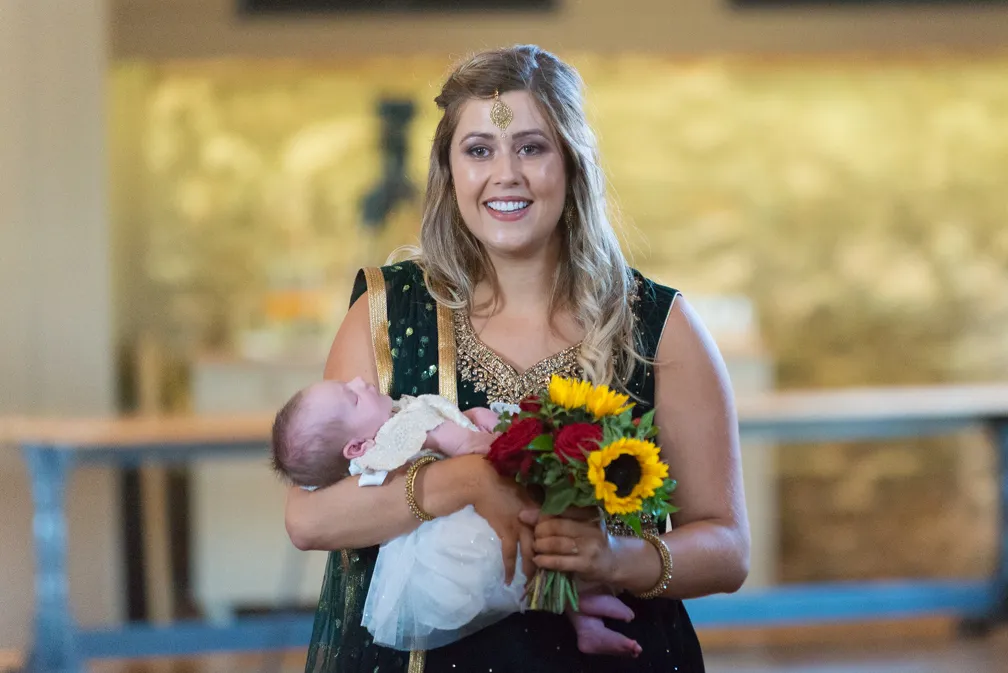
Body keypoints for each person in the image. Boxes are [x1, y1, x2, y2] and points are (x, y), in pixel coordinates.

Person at [283, 44, 750, 673]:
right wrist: (466, 481)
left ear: (572, 163)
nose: (507, 174)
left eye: (532, 147)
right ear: (449, 172)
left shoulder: (655, 325)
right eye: (479, 150)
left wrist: (617, 559)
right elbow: (309, 519)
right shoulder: (388, 313)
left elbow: (727, 548)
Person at [271, 378, 645, 656]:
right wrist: (472, 443)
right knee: (536, 542)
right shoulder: (390, 435)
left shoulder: (383, 429)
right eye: (353, 396)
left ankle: (584, 619)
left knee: (541, 545)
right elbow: (439, 435)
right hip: (462, 522)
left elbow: (439, 421)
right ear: (355, 447)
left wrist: (470, 416)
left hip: (463, 509)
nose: (360, 380)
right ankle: (582, 603)